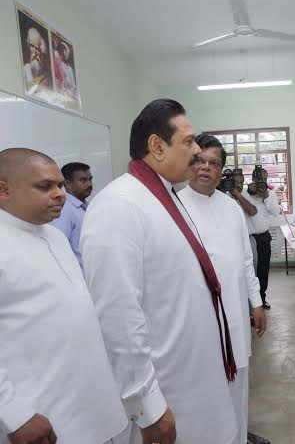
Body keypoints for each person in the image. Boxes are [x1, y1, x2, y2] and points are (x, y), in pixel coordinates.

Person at [81, 99, 238, 444]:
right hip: (169, 389)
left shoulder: (165, 196)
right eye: (188, 141)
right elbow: (118, 318)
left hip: (196, 374)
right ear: (156, 146)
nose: (197, 151)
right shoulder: (118, 206)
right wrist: (147, 407)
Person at [0, 148, 126, 444]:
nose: (59, 194)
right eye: (45, 186)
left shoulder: (54, 236)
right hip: (40, 414)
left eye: (59, 185)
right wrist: (15, 415)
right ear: (4, 190)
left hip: (91, 400)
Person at [179, 135, 270, 444]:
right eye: (199, 161)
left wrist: (255, 303)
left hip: (234, 311)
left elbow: (246, 260)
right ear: (189, 163)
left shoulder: (231, 208)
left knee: (239, 380)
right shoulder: (174, 207)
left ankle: (238, 437)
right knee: (205, 386)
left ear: (222, 171)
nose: (206, 168)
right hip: (198, 317)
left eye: (214, 163)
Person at [241, 167, 281, 310]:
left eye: (265, 179)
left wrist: (266, 198)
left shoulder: (270, 194)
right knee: (250, 272)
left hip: (264, 237)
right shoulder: (244, 193)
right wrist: (252, 194)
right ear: (252, 180)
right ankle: (250, 302)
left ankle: (262, 298)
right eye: (259, 179)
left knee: (263, 270)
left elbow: (276, 212)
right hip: (249, 239)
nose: (262, 182)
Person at [50, 162, 93, 270]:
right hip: (79, 279)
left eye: (90, 179)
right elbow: (58, 248)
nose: (89, 184)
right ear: (68, 184)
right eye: (83, 180)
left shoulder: (87, 206)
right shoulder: (64, 209)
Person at [22, 27, 52, 94]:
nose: (35, 52)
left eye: (37, 48)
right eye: (32, 46)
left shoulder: (47, 74)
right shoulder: (25, 67)